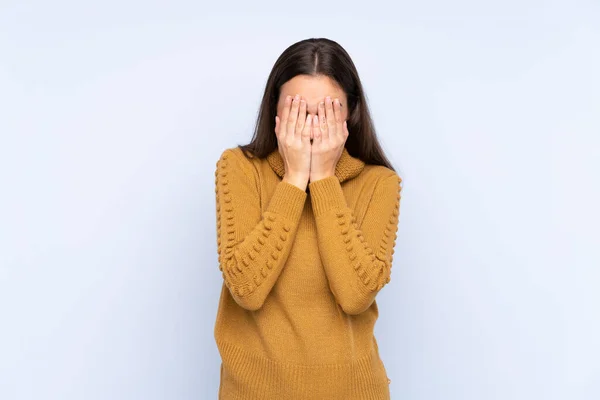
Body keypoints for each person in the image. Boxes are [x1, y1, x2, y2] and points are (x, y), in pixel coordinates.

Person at [213, 37, 402, 399]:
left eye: (326, 112)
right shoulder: (238, 168)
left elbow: (355, 295)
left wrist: (325, 180)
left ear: (351, 112)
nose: (310, 127)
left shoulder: (380, 184)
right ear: (275, 111)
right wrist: (295, 179)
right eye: (297, 110)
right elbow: (247, 290)